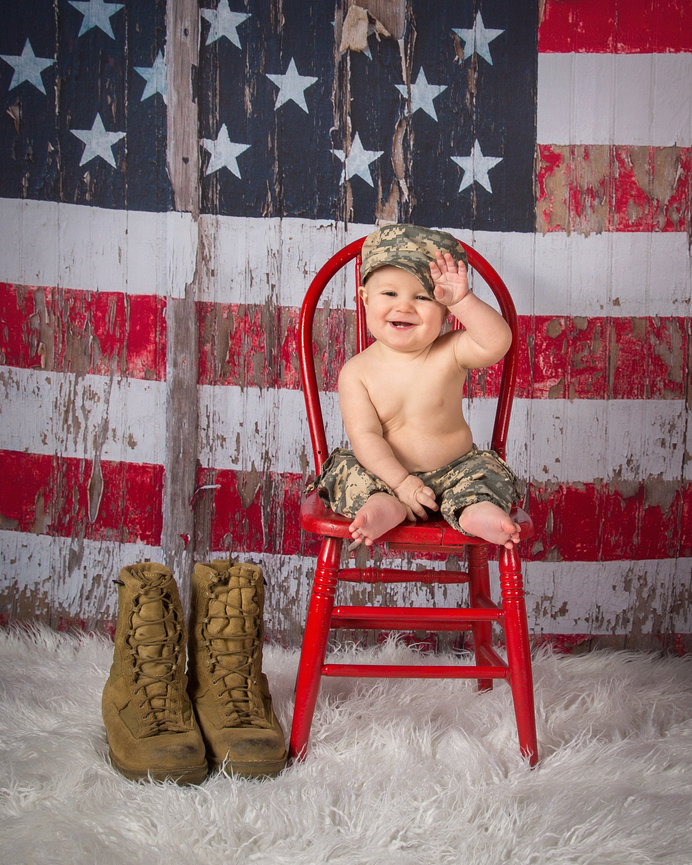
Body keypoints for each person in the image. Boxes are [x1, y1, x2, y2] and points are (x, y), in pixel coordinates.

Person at [307, 223, 522, 551]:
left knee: (487, 470)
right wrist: (400, 483)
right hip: (387, 478)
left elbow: (498, 341)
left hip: (456, 472)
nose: (404, 306)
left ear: (445, 309)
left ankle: (476, 511)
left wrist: (463, 299)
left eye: (422, 297)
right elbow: (366, 438)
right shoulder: (357, 373)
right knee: (343, 470)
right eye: (389, 293)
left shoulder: (450, 351)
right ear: (364, 298)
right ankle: (383, 506)